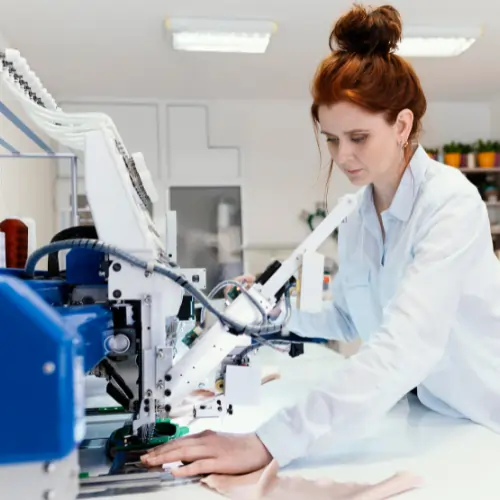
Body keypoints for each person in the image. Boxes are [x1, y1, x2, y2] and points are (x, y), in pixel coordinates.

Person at [141, 4, 500, 476]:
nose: (343, 156)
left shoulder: (450, 203)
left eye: (358, 137)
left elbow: (406, 345)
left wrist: (269, 440)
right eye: (332, 139)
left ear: (403, 126)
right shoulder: (355, 213)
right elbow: (353, 316)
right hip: (428, 415)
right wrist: (276, 314)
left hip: (481, 418)